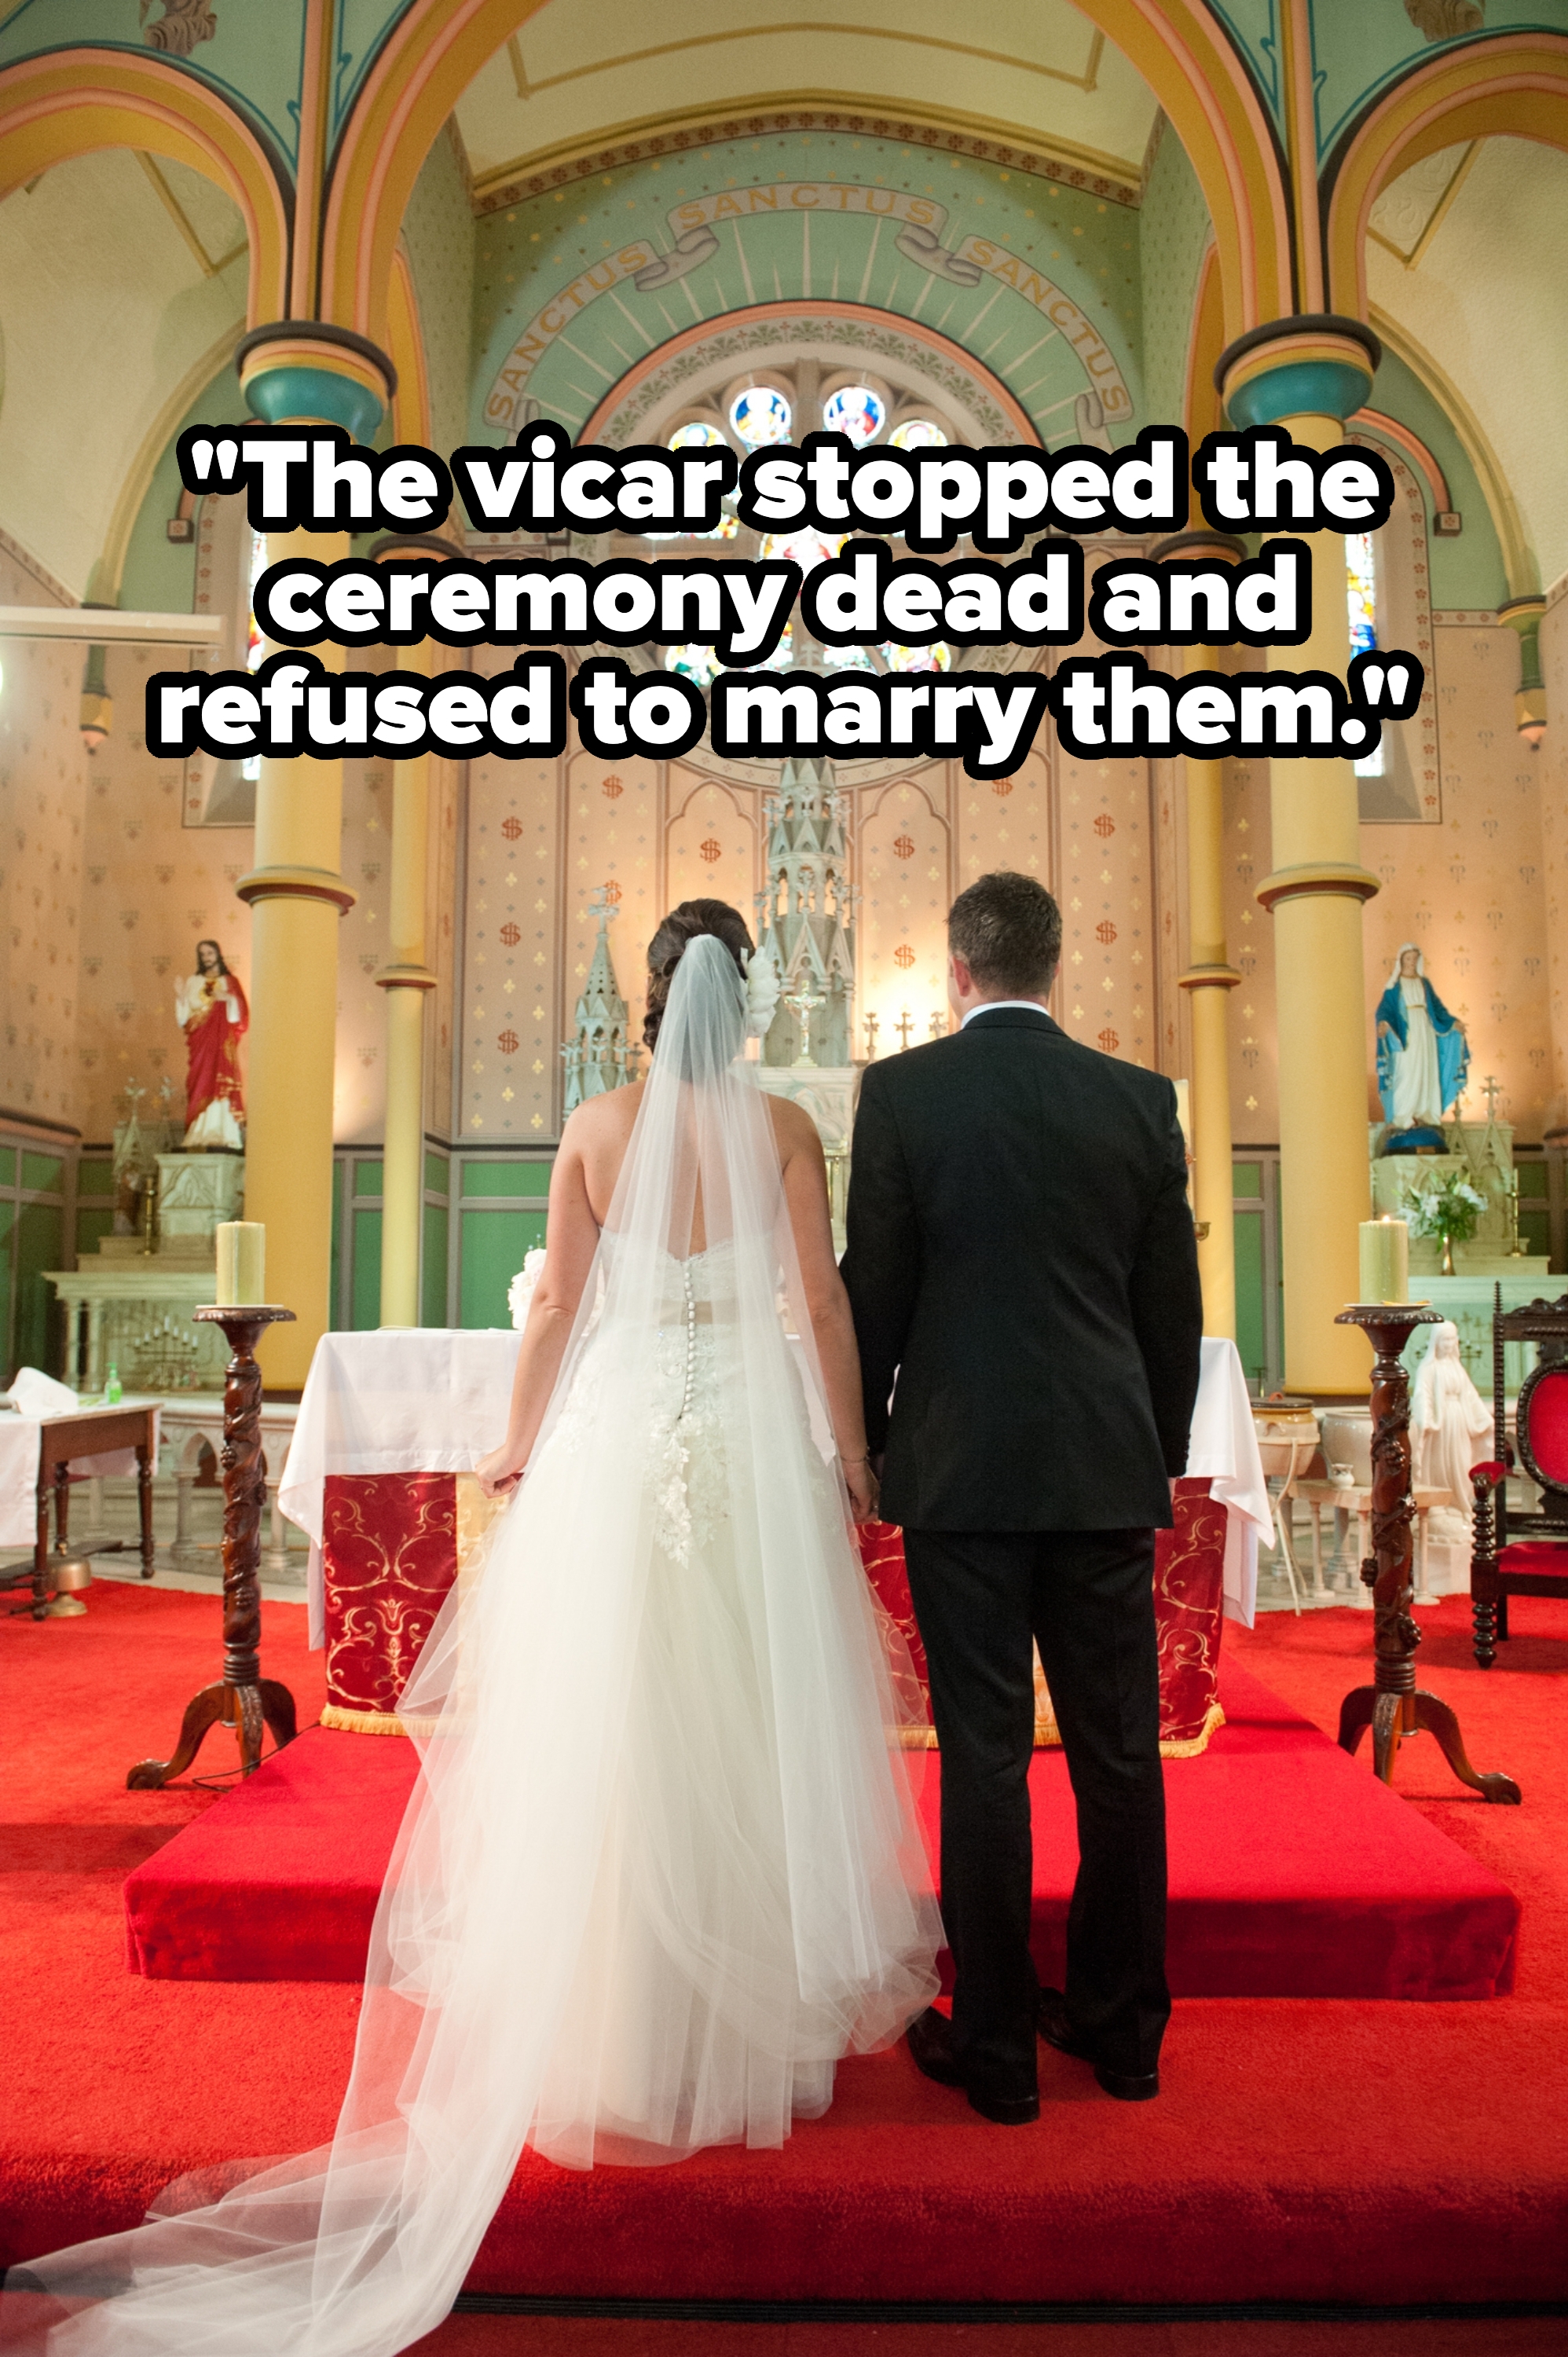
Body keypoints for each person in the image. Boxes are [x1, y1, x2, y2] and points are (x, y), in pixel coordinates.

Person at [3, 903, 939, 2357]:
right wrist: (852, 1454)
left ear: (642, 1000)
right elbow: (815, 1299)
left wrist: (519, 1443)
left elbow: (563, 1301)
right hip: (745, 1436)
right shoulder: (783, 1136)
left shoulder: (593, 1124)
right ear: (742, 999)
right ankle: (741, 2032)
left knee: (613, 1723)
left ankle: (614, 2027)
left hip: (625, 1434)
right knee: (743, 1714)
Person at [841, 871, 1203, 2122]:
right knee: (1118, 1758)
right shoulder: (1138, 1101)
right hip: (1103, 1470)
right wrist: (1149, 1453)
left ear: (957, 971)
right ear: (1059, 971)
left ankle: (995, 2046)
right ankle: (1123, 2035)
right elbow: (1172, 1310)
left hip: (962, 1473)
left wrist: (879, 1444)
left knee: (985, 1760)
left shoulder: (902, 1094)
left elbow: (872, 1296)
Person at [1375, 944, 1467, 1138]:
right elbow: (1385, 1010)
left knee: (1426, 1070)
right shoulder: (1394, 986)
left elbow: (1438, 1009)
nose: (1412, 963)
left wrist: (1452, 1023)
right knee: (1406, 1072)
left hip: (1425, 1031)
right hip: (1405, 1033)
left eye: (1415, 959)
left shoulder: (1424, 984)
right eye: (1408, 959)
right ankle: (1402, 1116)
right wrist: (1384, 1023)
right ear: (1401, 961)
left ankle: (1426, 1113)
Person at [175, 938, 247, 1149]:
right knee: (200, 1081)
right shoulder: (193, 982)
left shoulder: (230, 982)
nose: (207, 958)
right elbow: (184, 1019)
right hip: (201, 1042)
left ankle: (224, 1132)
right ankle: (199, 1131)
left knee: (221, 1081)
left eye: (210, 953)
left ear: (218, 954)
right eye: (203, 954)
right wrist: (180, 997)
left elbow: (241, 1018)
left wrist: (227, 998)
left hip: (222, 1042)